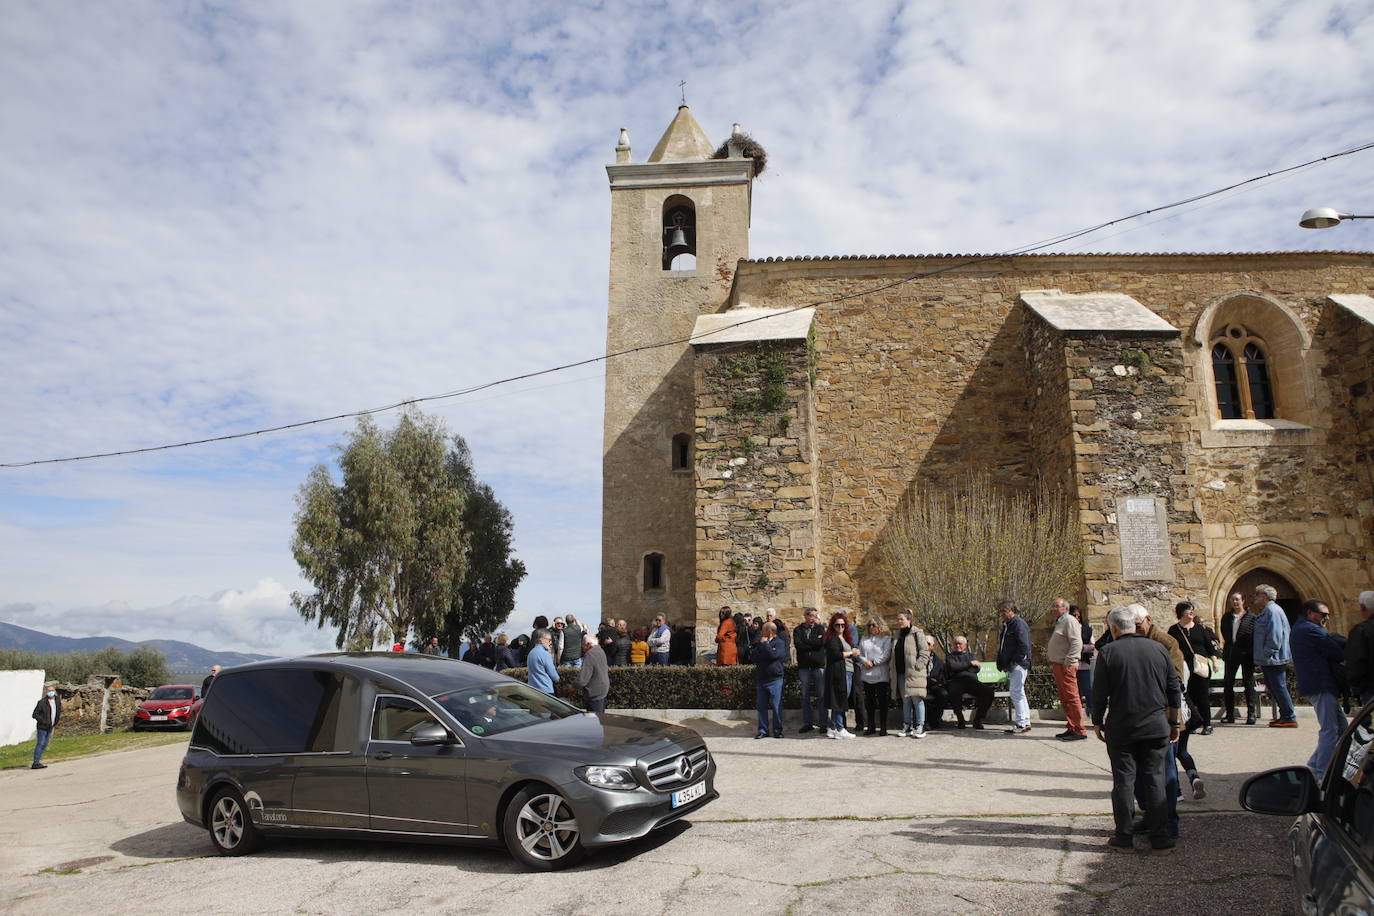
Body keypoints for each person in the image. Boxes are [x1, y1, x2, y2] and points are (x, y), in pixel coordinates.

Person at [1092, 604, 1183, 854]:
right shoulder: (1157, 648)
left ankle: (1124, 837)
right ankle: (1160, 837)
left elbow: (1099, 693)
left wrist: (1097, 721)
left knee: (1123, 781)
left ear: (1113, 628)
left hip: (1122, 726)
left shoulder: (1108, 652)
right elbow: (1173, 688)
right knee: (1155, 779)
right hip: (1155, 724)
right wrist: (1174, 722)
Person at [1292, 599, 1347, 777]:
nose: (1327, 619)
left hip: (1317, 684)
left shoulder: (1301, 628)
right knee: (1330, 729)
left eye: (1329, 615)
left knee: (1342, 728)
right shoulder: (1311, 630)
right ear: (1310, 613)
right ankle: (1322, 774)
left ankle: (1314, 765)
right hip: (1320, 683)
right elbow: (1337, 653)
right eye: (1323, 615)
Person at [1168, 601, 1218, 734]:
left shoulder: (1200, 628)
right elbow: (1170, 649)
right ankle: (1193, 722)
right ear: (1181, 612)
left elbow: (1209, 647)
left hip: (1201, 667)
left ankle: (1207, 724)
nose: (1191, 611)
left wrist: (1214, 662)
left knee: (1202, 696)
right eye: (1188, 609)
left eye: (1192, 609)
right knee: (1187, 695)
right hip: (1184, 668)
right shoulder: (1173, 630)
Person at [1253, 584, 1298, 727]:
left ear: (1264, 596)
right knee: (1275, 687)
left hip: (1274, 659)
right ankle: (1284, 715)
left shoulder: (1272, 611)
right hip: (1270, 659)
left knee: (1279, 686)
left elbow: (1275, 636)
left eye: (1257, 594)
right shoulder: (1268, 610)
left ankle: (1289, 717)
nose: (1254, 597)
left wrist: (1267, 652)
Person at [1047, 597, 1087, 741]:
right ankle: (1071, 726)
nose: (1053, 609)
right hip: (1059, 664)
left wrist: (1069, 662)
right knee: (1065, 698)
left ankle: (1079, 730)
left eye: (1056, 606)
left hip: (1066, 665)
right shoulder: (1060, 622)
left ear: (1065, 608)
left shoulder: (1070, 621)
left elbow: (1076, 642)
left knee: (1072, 697)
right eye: (1053, 606)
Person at [1219, 591, 1259, 724]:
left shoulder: (1251, 617)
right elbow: (1224, 632)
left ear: (1243, 601)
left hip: (1247, 654)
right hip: (1231, 653)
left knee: (1248, 683)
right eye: (1232, 600)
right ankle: (1230, 715)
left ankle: (1251, 714)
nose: (1235, 602)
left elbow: (1253, 636)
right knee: (1228, 683)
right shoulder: (1227, 617)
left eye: (1237, 600)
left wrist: (1246, 648)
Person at [889, 610, 930, 739]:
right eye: (898, 619)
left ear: (909, 620)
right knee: (905, 700)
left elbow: (924, 652)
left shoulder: (917, 633)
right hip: (900, 673)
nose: (899, 621)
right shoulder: (897, 635)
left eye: (901, 619)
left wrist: (918, 666)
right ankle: (907, 725)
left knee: (917, 699)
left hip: (914, 673)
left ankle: (920, 726)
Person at [996, 601, 1033, 735]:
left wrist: (1015, 662)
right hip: (1015, 664)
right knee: (1019, 692)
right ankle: (1025, 721)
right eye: (1001, 611)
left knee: (1015, 693)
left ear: (1012, 611)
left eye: (1004, 611)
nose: (1002, 614)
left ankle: (1021, 722)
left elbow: (1023, 645)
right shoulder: (1008, 625)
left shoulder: (1018, 624)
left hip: (1018, 664)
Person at [825, 611, 862, 738]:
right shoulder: (832, 639)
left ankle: (833, 727)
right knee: (840, 700)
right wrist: (852, 653)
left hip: (848, 671)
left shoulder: (845, 638)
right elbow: (835, 655)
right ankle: (840, 729)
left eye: (842, 625)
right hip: (841, 673)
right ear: (832, 626)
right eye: (837, 625)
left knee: (839, 700)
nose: (840, 627)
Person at [945, 635, 993, 729]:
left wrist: (961, 668)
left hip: (971, 681)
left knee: (989, 692)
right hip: (956, 681)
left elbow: (975, 670)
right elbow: (953, 667)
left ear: (965, 645)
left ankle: (978, 719)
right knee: (953, 692)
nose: (957, 646)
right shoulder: (950, 656)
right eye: (956, 644)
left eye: (960, 644)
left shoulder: (971, 655)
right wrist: (969, 664)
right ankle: (960, 719)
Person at [752, 622, 787, 739]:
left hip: (775, 679)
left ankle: (777, 730)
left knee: (776, 706)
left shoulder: (779, 643)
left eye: (763, 630)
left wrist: (766, 645)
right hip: (761, 679)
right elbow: (754, 656)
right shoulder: (761, 643)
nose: (762, 632)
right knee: (761, 706)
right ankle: (763, 730)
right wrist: (766, 649)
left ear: (770, 631)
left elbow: (774, 655)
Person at [795, 607, 827, 734]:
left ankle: (823, 723)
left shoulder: (820, 629)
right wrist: (813, 643)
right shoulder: (798, 630)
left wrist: (807, 642)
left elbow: (820, 643)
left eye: (815, 616)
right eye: (811, 616)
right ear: (806, 616)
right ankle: (808, 723)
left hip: (818, 666)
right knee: (805, 696)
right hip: (804, 667)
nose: (813, 618)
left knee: (822, 696)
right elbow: (799, 645)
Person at [859, 618, 893, 735]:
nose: (871, 627)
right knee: (870, 702)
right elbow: (860, 653)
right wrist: (865, 661)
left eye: (873, 625)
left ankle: (883, 727)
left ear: (880, 626)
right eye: (869, 625)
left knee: (882, 701)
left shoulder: (885, 639)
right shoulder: (864, 639)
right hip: (867, 674)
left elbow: (886, 654)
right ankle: (871, 726)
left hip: (881, 674)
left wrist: (873, 662)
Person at [1346, 591, 1374, 706]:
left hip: (1370, 691)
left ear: (1362, 607)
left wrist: (1357, 689)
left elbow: (1356, 663)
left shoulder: (1361, 631)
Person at [1070, 606, 1094, 719]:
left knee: (1088, 690)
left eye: (1078, 616)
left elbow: (1092, 646)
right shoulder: (1067, 629)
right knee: (1074, 693)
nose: (1076, 618)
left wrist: (1081, 648)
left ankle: (1092, 713)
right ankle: (1076, 716)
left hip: (1083, 665)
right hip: (1070, 665)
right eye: (1073, 616)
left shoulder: (1086, 629)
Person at [576, 632, 610, 714]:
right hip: (603, 690)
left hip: (594, 693)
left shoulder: (590, 654)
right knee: (600, 719)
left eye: (583, 645)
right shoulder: (600, 650)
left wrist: (572, 686)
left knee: (594, 721)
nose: (582, 647)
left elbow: (583, 679)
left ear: (588, 644)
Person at [31, 683, 61, 770]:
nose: (50, 692)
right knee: (41, 743)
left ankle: (38, 761)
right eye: (49, 691)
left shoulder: (57, 700)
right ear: (46, 692)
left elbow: (58, 712)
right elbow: (35, 714)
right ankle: (36, 762)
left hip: (50, 727)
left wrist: (54, 723)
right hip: (42, 727)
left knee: (45, 744)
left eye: (52, 690)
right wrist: (44, 721)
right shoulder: (42, 702)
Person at [924, 634, 950, 730]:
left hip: (934, 685)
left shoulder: (937, 660)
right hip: (920, 685)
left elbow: (942, 676)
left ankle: (934, 719)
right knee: (920, 695)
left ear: (932, 646)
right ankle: (925, 721)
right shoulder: (917, 657)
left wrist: (935, 681)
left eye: (927, 643)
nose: (925, 645)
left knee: (943, 694)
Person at [526, 629, 560, 695]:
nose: (550, 642)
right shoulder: (545, 654)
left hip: (533, 689)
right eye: (549, 640)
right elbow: (553, 675)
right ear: (541, 640)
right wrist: (558, 680)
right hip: (545, 690)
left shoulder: (531, 652)